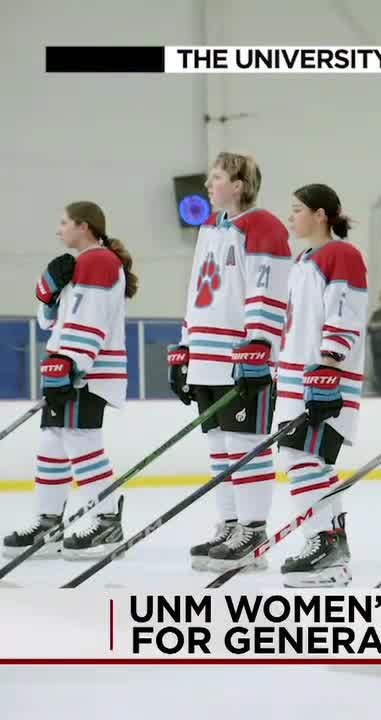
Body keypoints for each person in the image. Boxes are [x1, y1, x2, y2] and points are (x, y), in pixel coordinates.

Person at [169, 152, 292, 572]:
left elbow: (267, 288)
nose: (208, 185)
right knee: (220, 447)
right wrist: (184, 346)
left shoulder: (264, 227)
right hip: (206, 355)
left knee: (246, 445)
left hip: (240, 354)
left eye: (216, 177)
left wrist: (259, 342)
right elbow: (195, 291)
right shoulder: (210, 228)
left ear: (238, 185)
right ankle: (230, 524)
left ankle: (253, 531)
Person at [2, 202, 138, 559]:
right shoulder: (83, 264)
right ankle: (49, 524)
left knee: (81, 441)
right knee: (52, 443)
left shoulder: (100, 261)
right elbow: (54, 322)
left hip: (85, 373)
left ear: (84, 226)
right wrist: (47, 298)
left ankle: (107, 521)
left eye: (63, 222)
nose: (58, 229)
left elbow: (91, 318)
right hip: (69, 368)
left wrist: (71, 362)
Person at [275, 184, 367, 587]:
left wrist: (330, 363)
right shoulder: (303, 260)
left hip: (323, 376)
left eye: (297, 209)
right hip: (298, 376)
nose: (290, 216)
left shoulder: (341, 255)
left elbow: (343, 310)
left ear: (321, 215)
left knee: (305, 460)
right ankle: (329, 541)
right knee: (305, 462)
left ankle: (324, 542)